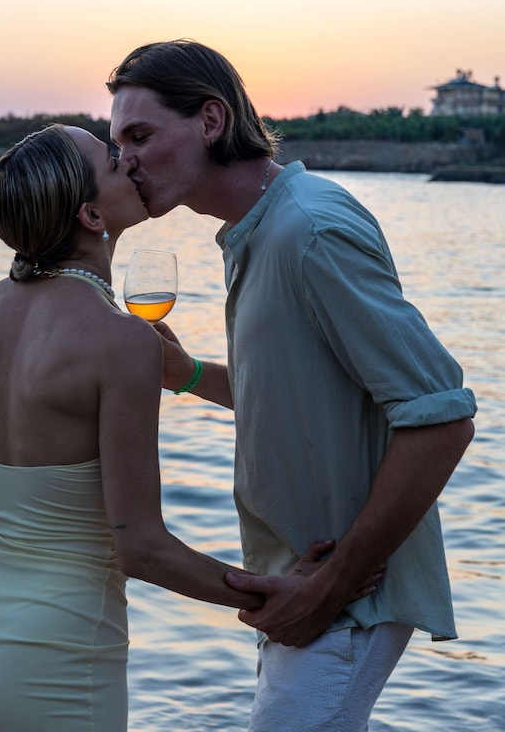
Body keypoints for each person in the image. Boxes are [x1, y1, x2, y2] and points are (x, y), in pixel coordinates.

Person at [0, 123, 371, 731]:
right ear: (92, 215)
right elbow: (141, 549)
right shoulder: (121, 342)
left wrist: (24, 477)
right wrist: (273, 594)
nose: (130, 164)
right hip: (54, 665)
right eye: (113, 161)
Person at [108, 39, 477, 732]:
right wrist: (184, 375)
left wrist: (332, 587)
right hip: (298, 585)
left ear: (210, 122)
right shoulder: (260, 230)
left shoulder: (308, 230)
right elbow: (301, 403)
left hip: (341, 596)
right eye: (115, 141)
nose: (122, 159)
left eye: (139, 135)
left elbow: (440, 419)